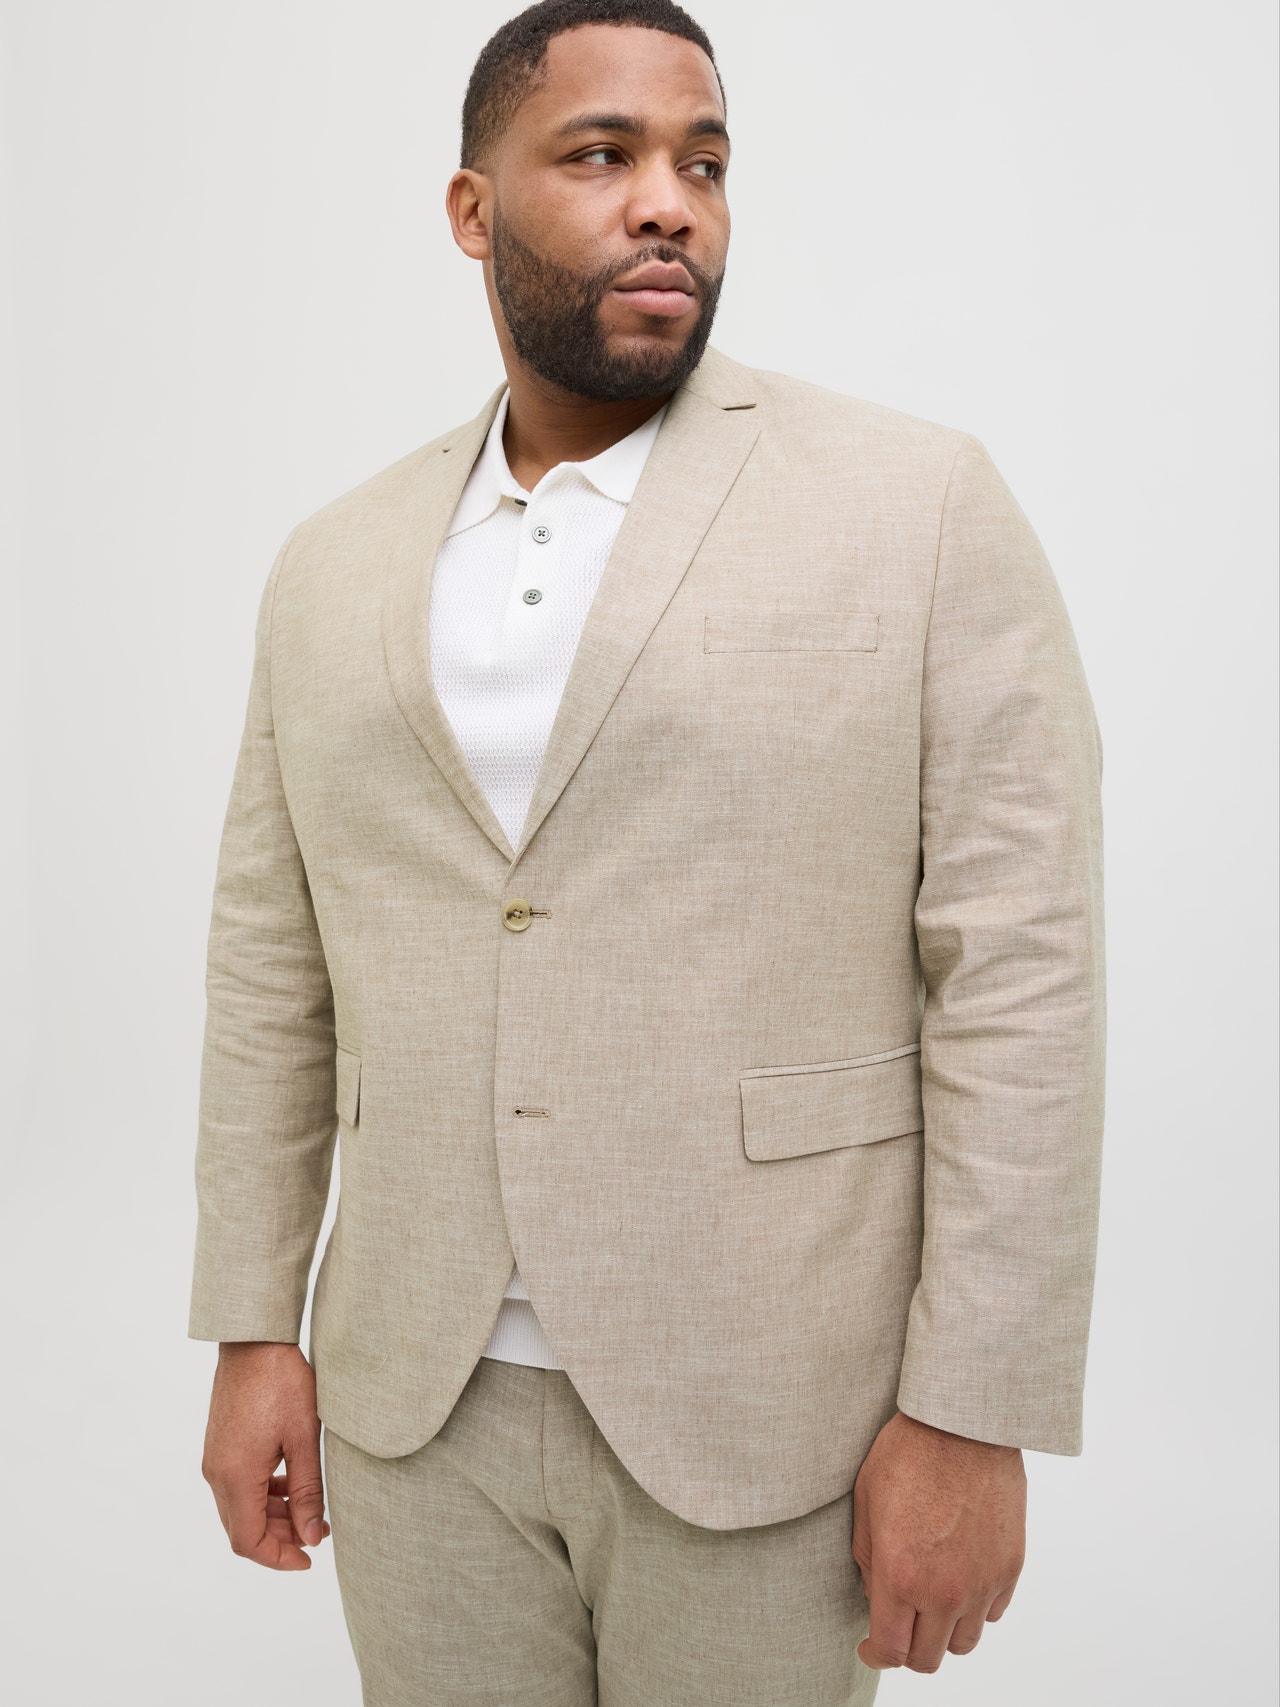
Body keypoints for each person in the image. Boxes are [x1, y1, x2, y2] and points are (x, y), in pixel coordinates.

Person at [190, 2, 1106, 1702]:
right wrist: (254, 1326)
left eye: (705, 162)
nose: (669, 202)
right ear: (473, 212)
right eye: (601, 155)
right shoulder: (334, 562)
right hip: (413, 1405)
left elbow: (1023, 975)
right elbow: (272, 967)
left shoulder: (916, 505)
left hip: (773, 1403)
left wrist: (973, 1408)